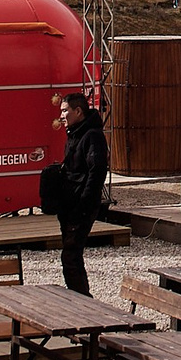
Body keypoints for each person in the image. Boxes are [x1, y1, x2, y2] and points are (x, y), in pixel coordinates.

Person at [52, 89, 110, 295]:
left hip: (81, 207)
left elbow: (97, 172)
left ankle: (83, 301)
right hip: (69, 206)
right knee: (72, 257)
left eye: (65, 111)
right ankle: (80, 298)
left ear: (78, 111)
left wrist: (83, 205)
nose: (61, 116)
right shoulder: (75, 135)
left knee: (70, 256)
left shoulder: (92, 136)